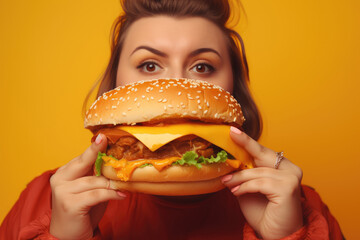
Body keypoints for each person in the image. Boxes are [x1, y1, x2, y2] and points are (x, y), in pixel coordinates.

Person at [0, 0, 344, 239]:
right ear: (115, 82)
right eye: (149, 65)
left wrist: (289, 235)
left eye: (203, 66)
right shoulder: (43, 200)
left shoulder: (296, 204)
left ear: (234, 88)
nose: (177, 86)